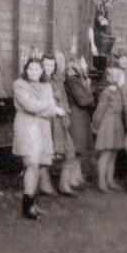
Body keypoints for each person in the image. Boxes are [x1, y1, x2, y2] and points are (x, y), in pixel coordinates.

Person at [12, 58, 66, 219]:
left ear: (42, 71)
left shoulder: (46, 85)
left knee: (38, 165)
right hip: (26, 127)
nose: (33, 72)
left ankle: (32, 202)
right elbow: (30, 106)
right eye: (30, 69)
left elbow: (43, 108)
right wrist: (50, 107)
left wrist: (46, 108)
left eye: (37, 69)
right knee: (32, 163)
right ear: (26, 70)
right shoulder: (19, 84)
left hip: (41, 127)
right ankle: (27, 205)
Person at [42, 53, 78, 197]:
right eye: (46, 65)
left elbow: (64, 99)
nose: (48, 68)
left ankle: (64, 185)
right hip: (47, 121)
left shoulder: (58, 80)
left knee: (70, 151)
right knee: (45, 153)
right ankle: (45, 186)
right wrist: (53, 109)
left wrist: (67, 114)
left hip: (60, 122)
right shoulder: (39, 80)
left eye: (51, 65)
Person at [92, 63, 126, 193]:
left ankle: (110, 180)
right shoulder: (107, 92)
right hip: (108, 124)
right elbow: (100, 111)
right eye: (121, 78)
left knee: (113, 153)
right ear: (115, 78)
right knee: (106, 153)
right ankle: (101, 182)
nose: (123, 80)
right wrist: (96, 126)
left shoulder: (119, 91)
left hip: (116, 122)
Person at [65, 55, 95, 189]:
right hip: (76, 115)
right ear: (75, 65)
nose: (86, 66)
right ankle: (72, 179)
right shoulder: (72, 80)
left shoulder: (77, 80)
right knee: (77, 148)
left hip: (81, 115)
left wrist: (89, 97)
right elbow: (83, 100)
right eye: (84, 64)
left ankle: (77, 176)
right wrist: (91, 97)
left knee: (80, 149)